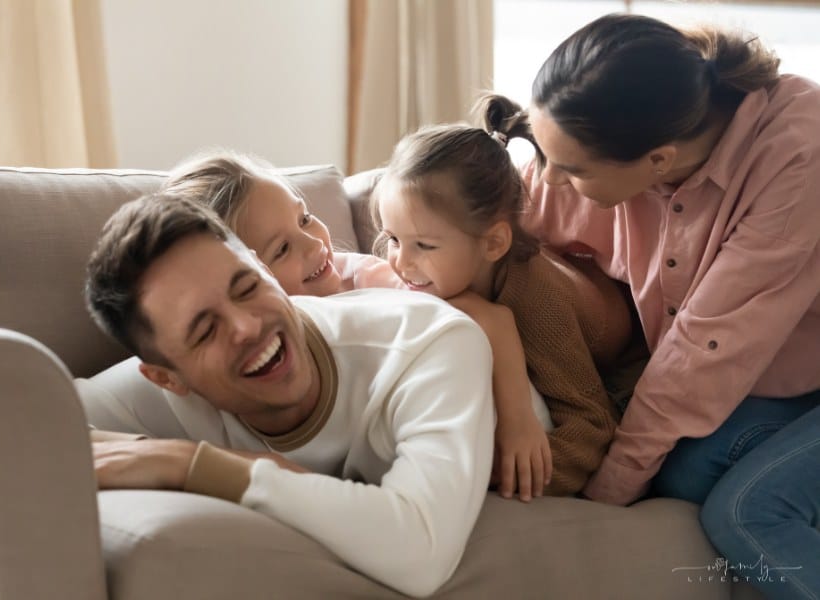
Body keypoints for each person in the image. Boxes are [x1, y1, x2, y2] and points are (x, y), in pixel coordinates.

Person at [497, 12, 820, 599]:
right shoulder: (622, 143)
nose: (551, 179)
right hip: (778, 380)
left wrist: (601, 501)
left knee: (741, 512)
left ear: (659, 163)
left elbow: (705, 349)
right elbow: (504, 213)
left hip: (784, 375)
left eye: (570, 169)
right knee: (683, 470)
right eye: (545, 154)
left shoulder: (799, 156)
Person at [81, 193, 495, 598]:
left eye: (246, 288)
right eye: (206, 331)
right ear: (166, 378)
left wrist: (191, 465)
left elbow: (421, 555)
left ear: (263, 269)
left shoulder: (428, 341)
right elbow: (25, 428)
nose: (245, 327)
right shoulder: (166, 395)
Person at [159, 150, 555, 501]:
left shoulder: (366, 279)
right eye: (282, 249)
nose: (314, 245)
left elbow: (489, 319)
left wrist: (518, 420)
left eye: (306, 218)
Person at [368, 122, 634, 497]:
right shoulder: (440, 270)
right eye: (393, 239)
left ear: (493, 244)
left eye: (424, 246)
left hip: (623, 374)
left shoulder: (539, 306)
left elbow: (593, 430)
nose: (401, 262)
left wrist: (494, 470)